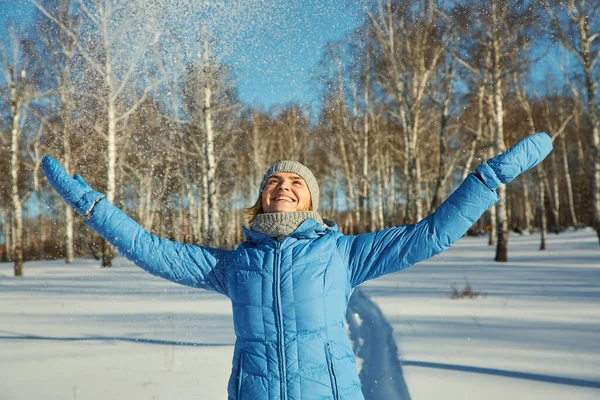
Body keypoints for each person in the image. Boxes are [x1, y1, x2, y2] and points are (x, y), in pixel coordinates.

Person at [42, 132, 552, 400]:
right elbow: (151, 248)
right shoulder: (236, 265)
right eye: (273, 183)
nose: (283, 186)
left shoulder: (343, 254)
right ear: (261, 201)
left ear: (309, 200)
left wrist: (490, 178)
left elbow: (432, 233)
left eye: (295, 182)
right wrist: (91, 205)